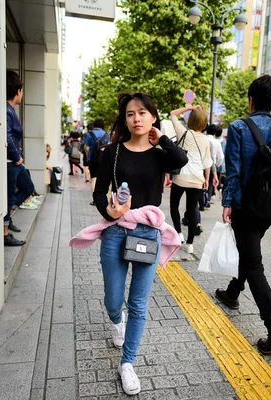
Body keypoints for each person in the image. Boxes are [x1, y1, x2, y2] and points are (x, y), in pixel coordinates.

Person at [92, 92, 187, 395]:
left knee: (138, 303)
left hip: (147, 233)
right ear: (125, 119)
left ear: (153, 118)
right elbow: (98, 193)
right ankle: (114, 320)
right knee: (112, 299)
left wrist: (163, 141)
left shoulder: (160, 153)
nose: (137, 119)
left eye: (143, 113)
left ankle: (128, 363)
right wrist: (109, 210)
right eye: (131, 114)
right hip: (116, 231)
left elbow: (182, 161)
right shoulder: (113, 152)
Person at [215, 75, 271, 355]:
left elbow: (235, 170)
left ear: (251, 100)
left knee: (253, 262)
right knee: (248, 251)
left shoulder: (239, 127)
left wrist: (227, 201)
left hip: (246, 206)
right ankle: (232, 292)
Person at [169, 105, 213, 254]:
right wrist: (207, 179)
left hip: (180, 177)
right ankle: (190, 244)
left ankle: (179, 233)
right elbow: (207, 162)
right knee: (192, 209)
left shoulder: (183, 133)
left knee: (174, 206)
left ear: (191, 120)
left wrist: (189, 107)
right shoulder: (206, 140)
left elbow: (173, 114)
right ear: (204, 122)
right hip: (196, 179)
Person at [4, 71, 29, 247]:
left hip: (15, 162)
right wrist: (17, 156)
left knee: (28, 187)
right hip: (11, 162)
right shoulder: (6, 110)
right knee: (8, 196)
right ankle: (5, 232)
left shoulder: (10, 110)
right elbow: (7, 136)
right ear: (17, 91)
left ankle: (8, 216)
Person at [85, 119, 111, 205]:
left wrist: (88, 157)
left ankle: (95, 199)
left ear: (94, 125)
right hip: (104, 159)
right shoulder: (106, 135)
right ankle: (104, 198)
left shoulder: (89, 134)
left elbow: (86, 148)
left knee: (93, 178)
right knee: (104, 178)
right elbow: (109, 147)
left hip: (93, 159)